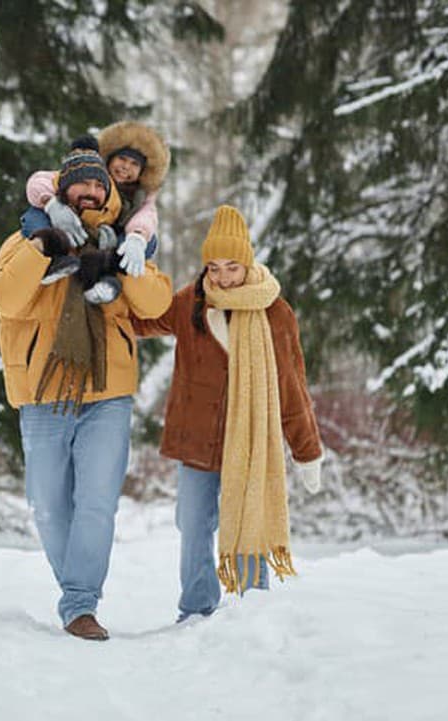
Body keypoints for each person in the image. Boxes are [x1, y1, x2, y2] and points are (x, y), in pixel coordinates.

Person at [0, 144, 173, 641]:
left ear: (108, 191)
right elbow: (4, 299)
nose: (90, 191)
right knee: (48, 504)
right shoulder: (27, 236)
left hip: (107, 392)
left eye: (98, 185)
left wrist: (118, 263)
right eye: (81, 184)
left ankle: (80, 605)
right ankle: (77, 594)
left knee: (96, 501)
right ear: (64, 189)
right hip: (42, 390)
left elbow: (155, 303)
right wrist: (42, 247)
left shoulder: (125, 237)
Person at [131, 205, 323, 623]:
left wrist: (307, 451)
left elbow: (291, 386)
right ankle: (196, 608)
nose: (221, 277)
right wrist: (120, 282)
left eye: (231, 267)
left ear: (248, 263)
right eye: (213, 267)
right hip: (195, 439)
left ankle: (252, 609)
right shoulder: (190, 302)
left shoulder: (275, 313)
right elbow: (141, 320)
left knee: (250, 521)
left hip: (250, 441)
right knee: (193, 527)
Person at [24, 120, 170, 284]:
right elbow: (40, 181)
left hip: (108, 239)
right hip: (73, 223)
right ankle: (49, 253)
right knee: (35, 213)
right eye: (122, 158)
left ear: (142, 171)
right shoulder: (89, 170)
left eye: (134, 164)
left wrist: (137, 237)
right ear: (109, 158)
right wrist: (51, 204)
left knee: (148, 239)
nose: (126, 167)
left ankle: (109, 276)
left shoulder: (140, 196)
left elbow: (146, 216)